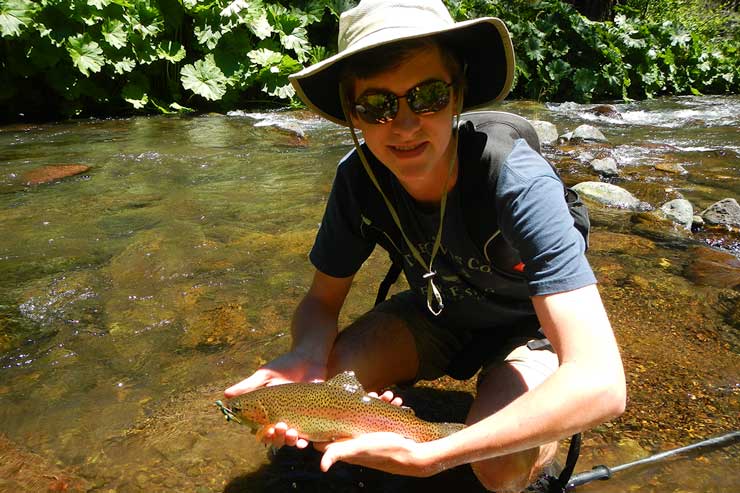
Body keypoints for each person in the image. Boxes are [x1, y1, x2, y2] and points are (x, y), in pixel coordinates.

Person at [225, 0, 626, 491]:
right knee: (321, 388)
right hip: (439, 314)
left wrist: (436, 454)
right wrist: (307, 353)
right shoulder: (358, 181)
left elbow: (602, 383)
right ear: (353, 113)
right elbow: (320, 300)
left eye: (428, 96)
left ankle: (531, 441)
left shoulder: (517, 180)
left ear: (457, 96)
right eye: (377, 104)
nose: (405, 124)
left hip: (530, 326)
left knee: (499, 469)